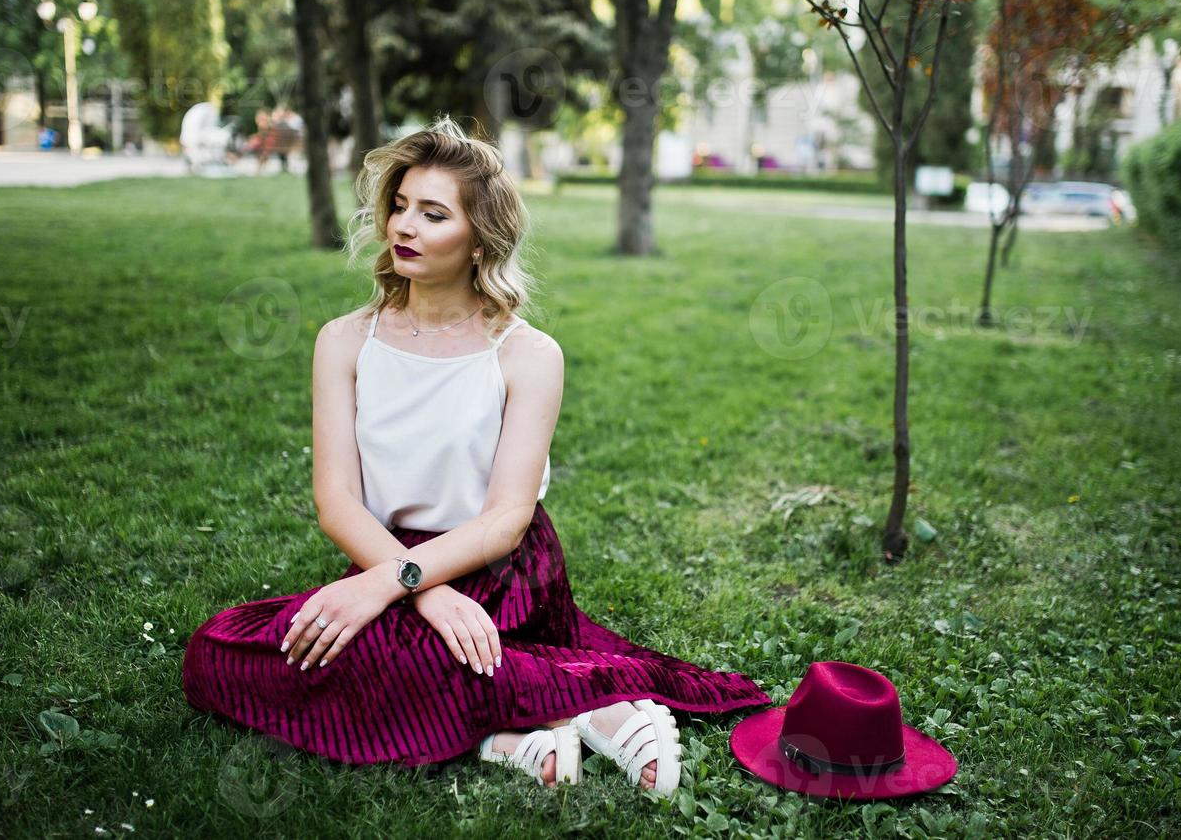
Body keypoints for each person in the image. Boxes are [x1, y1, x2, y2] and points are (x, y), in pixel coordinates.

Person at [181, 115, 770, 795]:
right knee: (221, 654)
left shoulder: (526, 354)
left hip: (498, 567)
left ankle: (596, 707)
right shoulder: (343, 341)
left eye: (432, 214)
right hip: (385, 553)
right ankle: (525, 725)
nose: (404, 226)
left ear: (479, 238)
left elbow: (505, 521)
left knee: (376, 655)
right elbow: (336, 500)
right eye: (399, 207)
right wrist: (410, 586)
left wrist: (391, 585)